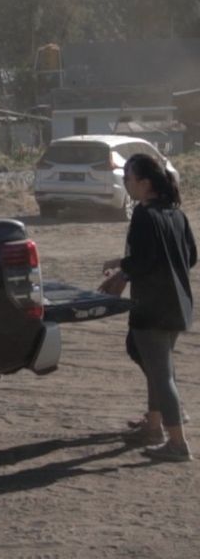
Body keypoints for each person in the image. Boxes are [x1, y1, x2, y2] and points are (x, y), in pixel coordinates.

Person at [99, 153, 195, 462]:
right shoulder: (176, 215)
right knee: (158, 368)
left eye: (127, 178)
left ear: (144, 183)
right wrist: (122, 265)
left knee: (161, 374)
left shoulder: (143, 214)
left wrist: (122, 275)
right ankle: (154, 426)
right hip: (177, 305)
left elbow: (143, 259)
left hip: (151, 307)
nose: (125, 183)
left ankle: (177, 443)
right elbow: (189, 256)